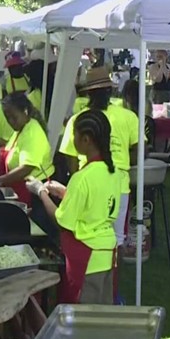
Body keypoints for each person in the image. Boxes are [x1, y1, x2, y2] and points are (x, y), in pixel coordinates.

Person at [28, 110, 120, 304]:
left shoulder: (81, 178)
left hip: (87, 258)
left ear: (85, 139)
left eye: (74, 135)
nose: (72, 140)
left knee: (83, 319)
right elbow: (95, 203)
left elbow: (62, 221)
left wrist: (40, 192)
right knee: (103, 314)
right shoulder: (112, 171)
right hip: (107, 253)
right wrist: (64, 192)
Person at [60, 67, 139, 250]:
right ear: (110, 90)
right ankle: (111, 275)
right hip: (116, 182)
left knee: (89, 235)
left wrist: (80, 178)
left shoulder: (78, 119)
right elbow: (139, 151)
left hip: (92, 183)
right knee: (116, 239)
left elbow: (70, 157)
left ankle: (98, 273)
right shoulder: (127, 116)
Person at [0, 93, 55, 205]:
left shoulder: (33, 133)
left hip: (37, 192)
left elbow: (26, 168)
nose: (11, 121)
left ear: (25, 111)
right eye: (7, 117)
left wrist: (1, 180)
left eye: (14, 117)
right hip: (22, 188)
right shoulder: (21, 129)